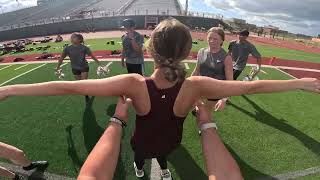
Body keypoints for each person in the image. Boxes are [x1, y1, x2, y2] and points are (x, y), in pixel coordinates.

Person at [0, 18, 319, 178]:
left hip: (141, 141)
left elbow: (69, 87)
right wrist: (301, 83)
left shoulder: (134, 83)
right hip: (171, 142)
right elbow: (250, 88)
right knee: (164, 156)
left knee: (141, 158)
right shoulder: (194, 86)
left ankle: (143, 170)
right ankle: (162, 171)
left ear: (150, 51)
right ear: (186, 53)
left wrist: (11, 90)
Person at [78, 98, 243, 180]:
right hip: (145, 137)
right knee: (143, 155)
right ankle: (143, 168)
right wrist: (206, 124)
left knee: (159, 154)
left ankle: (158, 170)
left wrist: (118, 119)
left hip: (155, 137)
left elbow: (91, 175)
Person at [192, 27, 233, 111]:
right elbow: (197, 70)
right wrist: (188, 83)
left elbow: (230, 81)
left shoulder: (226, 57)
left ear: (222, 40)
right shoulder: (201, 51)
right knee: (198, 110)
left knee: (206, 112)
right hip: (200, 89)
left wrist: (224, 99)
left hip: (215, 92)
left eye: (215, 39)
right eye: (209, 38)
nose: (211, 41)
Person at [56, 33, 101, 101]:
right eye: (71, 37)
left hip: (84, 67)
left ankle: (87, 94)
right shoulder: (67, 48)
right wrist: (58, 67)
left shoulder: (84, 48)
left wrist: (99, 63)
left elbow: (92, 56)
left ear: (79, 39)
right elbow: (61, 58)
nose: (71, 38)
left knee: (84, 82)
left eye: (73, 37)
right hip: (74, 68)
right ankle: (88, 89)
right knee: (79, 83)